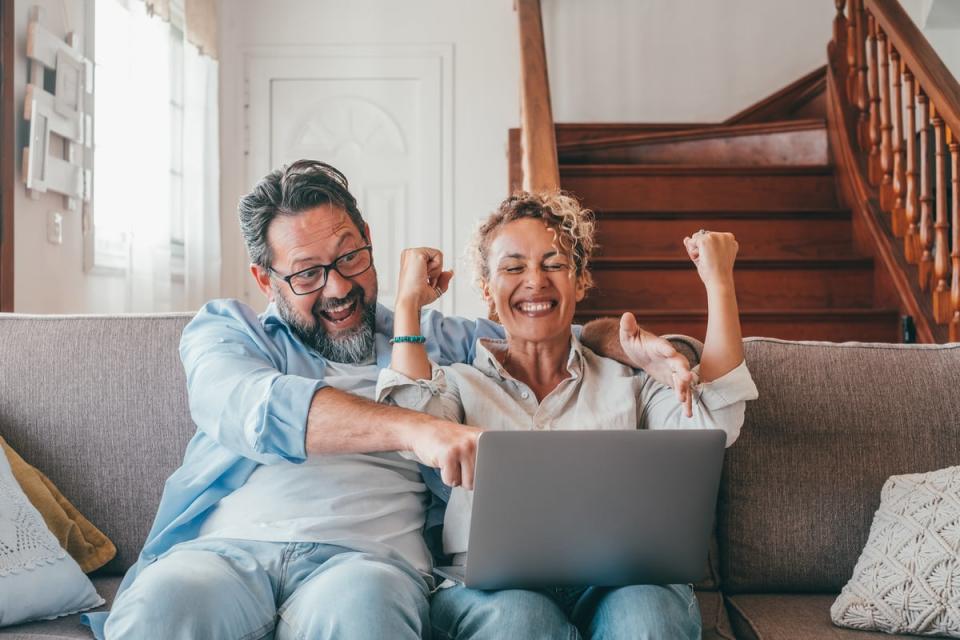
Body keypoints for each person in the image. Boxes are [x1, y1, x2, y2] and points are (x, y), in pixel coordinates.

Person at [85, 161, 696, 640]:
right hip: (226, 550)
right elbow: (256, 407)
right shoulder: (229, 333)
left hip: (367, 560)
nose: (339, 286)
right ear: (266, 279)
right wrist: (415, 430)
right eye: (307, 273)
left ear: (370, 241)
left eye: (350, 256)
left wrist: (626, 341)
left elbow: (535, 331)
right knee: (162, 605)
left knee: (365, 612)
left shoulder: (437, 341)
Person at [378, 191, 760, 640]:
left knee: (649, 617)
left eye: (553, 264)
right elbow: (409, 422)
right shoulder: (460, 386)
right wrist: (407, 305)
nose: (535, 281)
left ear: (579, 282)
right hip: (495, 592)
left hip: (620, 581)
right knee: (521, 622)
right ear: (486, 291)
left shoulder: (630, 381)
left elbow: (715, 422)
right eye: (513, 267)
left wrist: (719, 282)